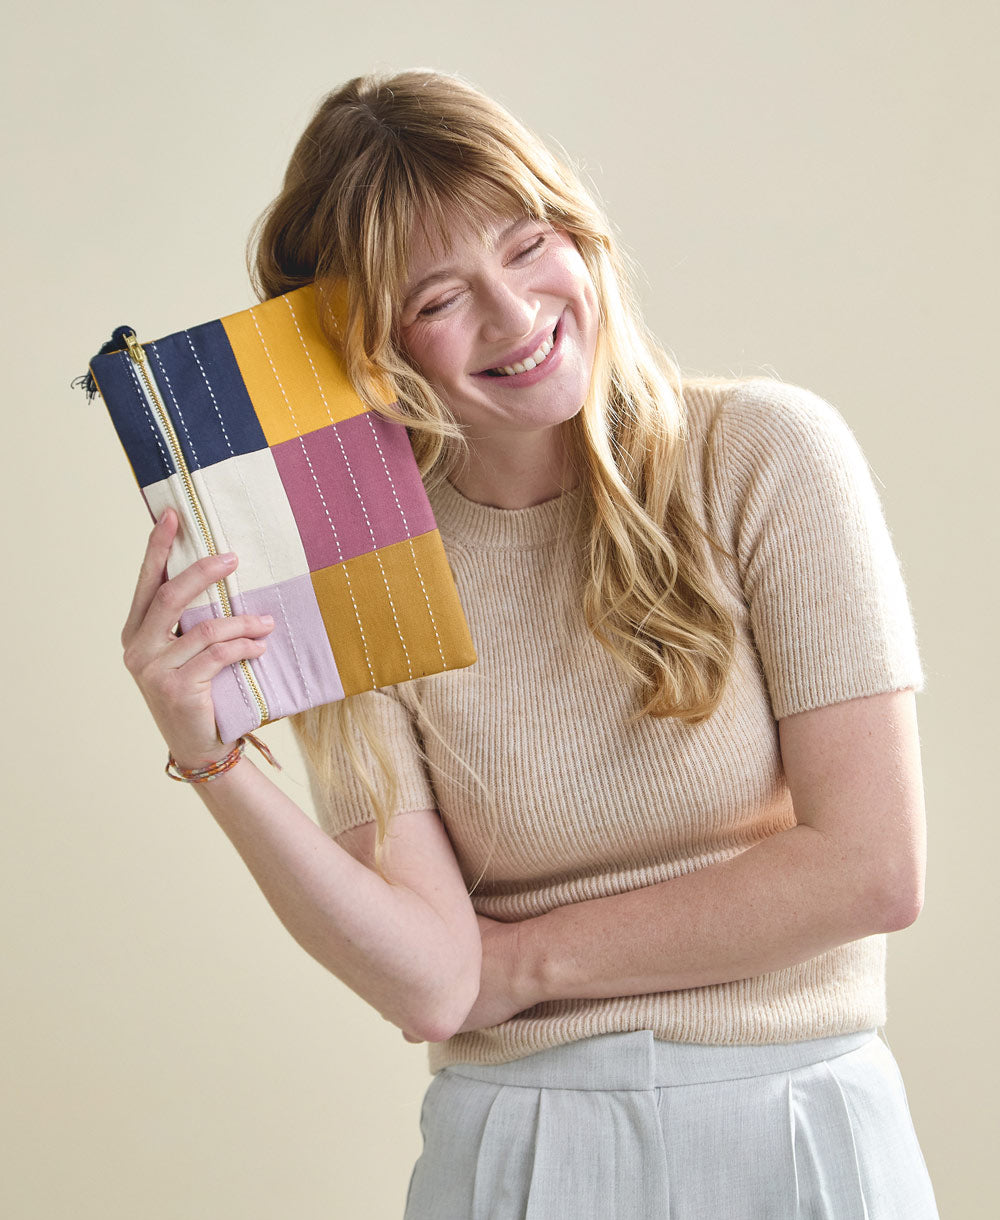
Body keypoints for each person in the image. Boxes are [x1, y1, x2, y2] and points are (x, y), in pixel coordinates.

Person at [121, 68, 940, 1218]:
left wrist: (518, 964)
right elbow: (425, 977)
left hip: (798, 1118)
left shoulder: (762, 453)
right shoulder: (355, 570)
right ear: (357, 343)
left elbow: (870, 869)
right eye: (438, 297)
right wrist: (210, 758)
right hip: (516, 1150)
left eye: (525, 242)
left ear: (575, 229)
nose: (515, 316)